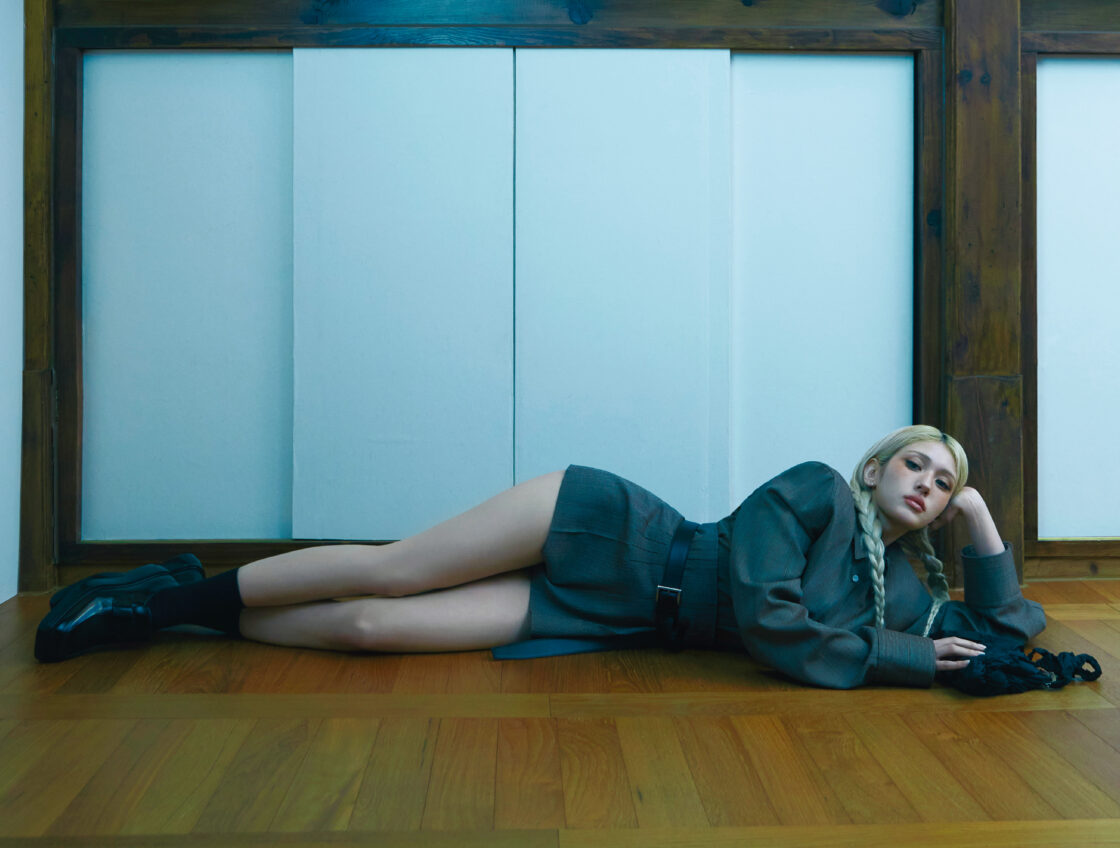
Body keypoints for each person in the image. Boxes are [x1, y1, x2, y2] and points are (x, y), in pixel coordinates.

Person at [35, 424, 1046, 688]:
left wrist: (981, 514)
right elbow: (772, 620)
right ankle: (149, 609)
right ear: (877, 465)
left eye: (943, 482)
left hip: (615, 616)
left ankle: (182, 597)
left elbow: (1012, 630)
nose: (927, 483)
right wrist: (906, 659)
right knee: (394, 569)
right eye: (917, 464)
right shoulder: (816, 487)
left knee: (372, 628)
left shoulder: (901, 585)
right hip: (610, 529)